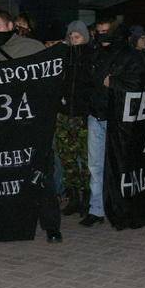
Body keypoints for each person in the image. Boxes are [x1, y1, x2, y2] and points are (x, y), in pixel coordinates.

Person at [0, 10, 63, 242]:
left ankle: (51, 226)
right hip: (4, 126)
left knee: (41, 172)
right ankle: (9, 220)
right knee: (6, 174)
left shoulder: (33, 48)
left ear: (10, 26)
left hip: (32, 123)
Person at [82, 16, 144, 226]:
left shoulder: (130, 56)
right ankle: (96, 209)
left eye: (106, 31)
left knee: (119, 165)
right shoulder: (95, 53)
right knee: (95, 165)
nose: (103, 36)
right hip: (96, 115)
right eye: (99, 32)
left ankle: (121, 206)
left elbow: (139, 83)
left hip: (118, 119)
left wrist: (114, 82)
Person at [57, 21, 93, 217]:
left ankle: (87, 197)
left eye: (77, 36)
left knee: (86, 159)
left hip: (82, 115)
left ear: (84, 37)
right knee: (67, 157)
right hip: (64, 115)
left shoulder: (91, 56)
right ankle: (73, 196)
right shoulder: (64, 56)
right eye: (70, 36)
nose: (73, 40)